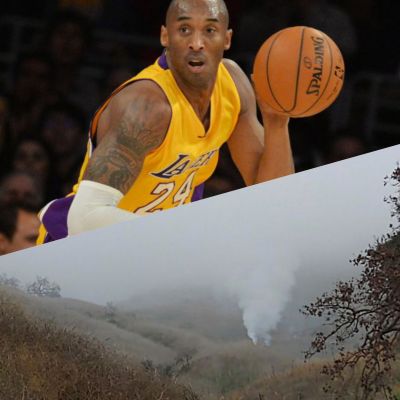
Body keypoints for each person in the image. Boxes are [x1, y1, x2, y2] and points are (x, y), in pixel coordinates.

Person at [37, 0, 295, 244]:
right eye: (184, 29)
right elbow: (85, 217)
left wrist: (276, 122)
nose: (197, 43)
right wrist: (183, 241)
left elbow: (274, 197)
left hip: (148, 249)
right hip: (73, 249)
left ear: (226, 39)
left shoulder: (232, 86)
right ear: (165, 36)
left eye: (209, 30)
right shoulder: (146, 107)